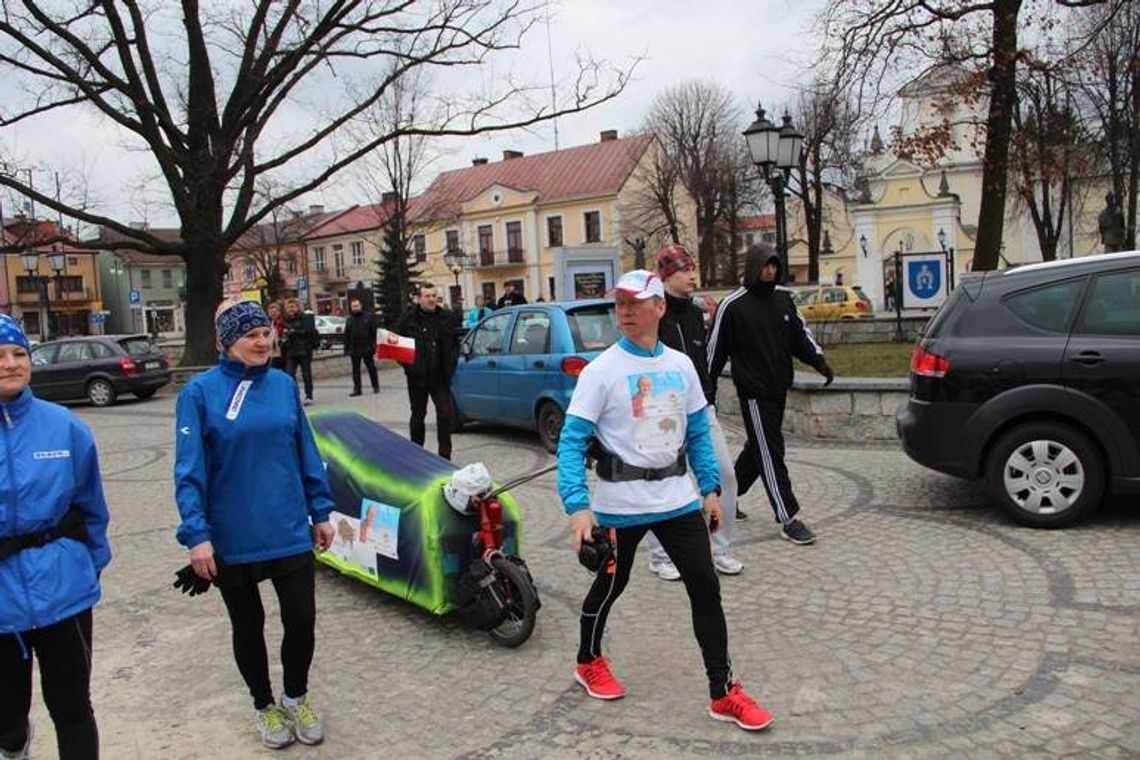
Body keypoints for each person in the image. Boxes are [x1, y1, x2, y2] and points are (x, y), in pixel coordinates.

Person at [557, 270, 774, 732]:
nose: (626, 311)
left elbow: (697, 431)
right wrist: (578, 506)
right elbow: (571, 442)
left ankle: (723, 692)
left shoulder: (680, 365)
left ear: (659, 307)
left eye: (636, 303)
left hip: (677, 499)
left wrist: (711, 490)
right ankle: (588, 660)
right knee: (612, 585)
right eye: (619, 304)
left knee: (706, 589)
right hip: (619, 503)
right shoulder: (601, 372)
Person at [173, 300, 335, 750]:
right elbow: (189, 471)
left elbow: (305, 450)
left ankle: (296, 696)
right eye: (252, 335)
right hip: (231, 534)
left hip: (286, 526)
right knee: (249, 625)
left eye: (266, 332)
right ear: (227, 342)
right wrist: (197, 535)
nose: (263, 341)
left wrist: (320, 511)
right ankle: (264, 705)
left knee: (302, 620)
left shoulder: (283, 386)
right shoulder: (199, 393)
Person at [0, 314, 111, 760]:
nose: (10, 364)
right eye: (0, 356)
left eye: (18, 353)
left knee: (72, 706)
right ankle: (13, 742)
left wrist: (88, 562)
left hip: (63, 589)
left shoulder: (64, 426)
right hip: (2, 600)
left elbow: (92, 505)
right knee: (6, 712)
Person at [707, 245, 834, 546]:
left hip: (779, 388)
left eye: (774, 266)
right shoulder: (732, 306)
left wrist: (819, 362)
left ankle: (727, 496)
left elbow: (801, 338)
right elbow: (714, 354)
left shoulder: (783, 299)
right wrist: (705, 391)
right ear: (753, 267)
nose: (770, 271)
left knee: (758, 449)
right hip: (753, 393)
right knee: (771, 451)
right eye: (765, 266)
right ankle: (788, 516)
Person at [644, 244, 744, 581]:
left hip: (701, 409)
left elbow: (702, 362)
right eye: (686, 270)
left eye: (692, 269)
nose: (693, 276)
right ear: (668, 274)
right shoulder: (654, 315)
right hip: (663, 415)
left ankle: (718, 549)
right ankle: (660, 556)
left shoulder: (694, 313)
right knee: (666, 481)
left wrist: (708, 397)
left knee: (724, 477)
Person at [395, 284, 459, 460]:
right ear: (419, 298)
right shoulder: (408, 319)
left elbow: (454, 344)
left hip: (440, 376)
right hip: (417, 378)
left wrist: (451, 365)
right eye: (427, 296)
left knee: (446, 413)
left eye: (434, 296)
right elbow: (397, 346)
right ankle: (417, 453)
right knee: (418, 414)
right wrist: (410, 368)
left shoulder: (446, 317)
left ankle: (445, 456)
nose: (431, 299)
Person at [281, 298, 319, 405]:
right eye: (288, 307)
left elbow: (308, 331)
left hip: (304, 351)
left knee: (306, 374)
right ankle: (295, 396)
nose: (290, 309)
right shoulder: (285, 320)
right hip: (291, 351)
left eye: (293, 307)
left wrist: (294, 332)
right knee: (289, 375)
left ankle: (309, 396)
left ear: (297, 307)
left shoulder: (305, 317)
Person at [343, 298, 379, 396]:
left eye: (357, 306)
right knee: (355, 371)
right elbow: (346, 335)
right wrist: (346, 349)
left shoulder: (368, 317)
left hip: (367, 347)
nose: (355, 308)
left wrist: (374, 347)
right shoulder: (349, 320)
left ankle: (375, 386)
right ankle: (357, 389)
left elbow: (374, 333)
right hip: (354, 349)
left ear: (360, 306)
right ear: (351, 307)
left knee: (371, 368)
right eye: (353, 306)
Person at [266, 302, 286, 371]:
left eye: (274, 312)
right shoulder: (267, 322)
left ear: (279, 312)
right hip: (272, 351)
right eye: (271, 312)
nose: (273, 314)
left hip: (283, 350)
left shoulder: (283, 321)